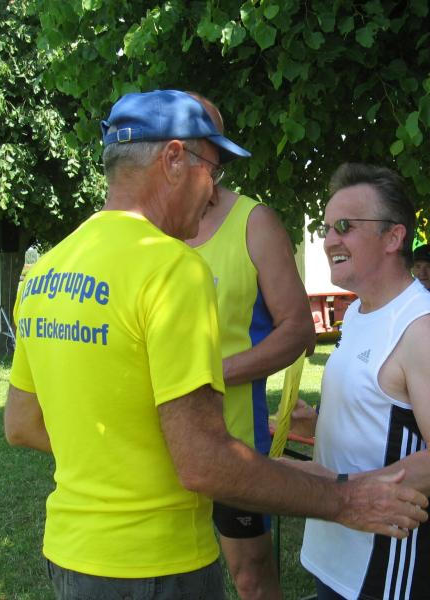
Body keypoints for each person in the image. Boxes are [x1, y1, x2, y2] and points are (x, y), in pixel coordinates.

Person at [3, 90, 429, 600]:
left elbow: (22, 423)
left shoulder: (48, 269)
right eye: (212, 169)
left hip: (70, 556)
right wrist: (344, 499)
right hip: (158, 565)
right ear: (174, 158)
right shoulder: (173, 268)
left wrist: (122, 453)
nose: (213, 193)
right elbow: (203, 462)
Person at [298, 163, 430, 600]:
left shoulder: (426, 327)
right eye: (326, 228)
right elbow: (379, 418)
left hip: (386, 565)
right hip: (333, 549)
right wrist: (317, 423)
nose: (329, 240)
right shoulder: (359, 311)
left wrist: (338, 493)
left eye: (345, 226)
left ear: (394, 237)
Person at [185, 97, 316, 600]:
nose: (214, 163)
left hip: (234, 440)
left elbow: (298, 330)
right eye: (207, 150)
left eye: (217, 153)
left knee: (250, 578)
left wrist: (210, 374)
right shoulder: (146, 227)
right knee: (171, 574)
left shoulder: (253, 221)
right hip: (156, 440)